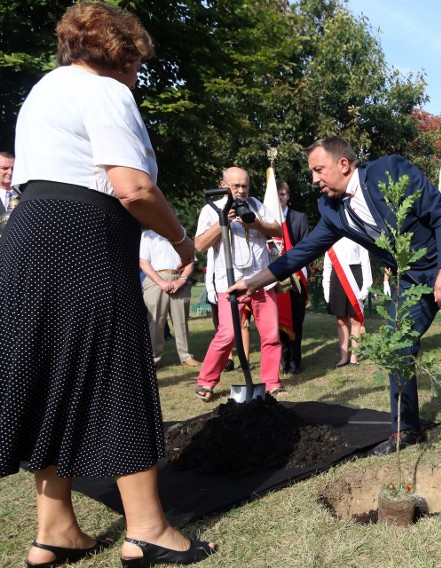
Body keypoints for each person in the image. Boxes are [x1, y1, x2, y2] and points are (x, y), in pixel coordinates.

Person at [0, 4, 216, 567]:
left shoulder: (44, 91)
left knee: (52, 372)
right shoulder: (106, 92)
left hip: (26, 235)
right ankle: (147, 529)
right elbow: (134, 188)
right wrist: (183, 242)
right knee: (117, 369)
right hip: (83, 239)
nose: (138, 77)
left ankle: (55, 530)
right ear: (119, 55)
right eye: (136, 65)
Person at [229, 137, 441, 455]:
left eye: (319, 170)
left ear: (343, 164)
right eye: (312, 173)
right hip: (413, 279)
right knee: (399, 345)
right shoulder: (331, 209)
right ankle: (408, 428)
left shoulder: (389, 171)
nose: (315, 179)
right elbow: (302, 251)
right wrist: (254, 281)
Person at [193, 167, 285, 401]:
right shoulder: (211, 209)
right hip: (229, 283)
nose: (241, 190)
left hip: (259, 281)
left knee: (272, 334)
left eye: (245, 185)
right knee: (227, 334)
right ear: (223, 184)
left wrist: (256, 225)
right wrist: (222, 221)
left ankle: (272, 383)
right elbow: (200, 245)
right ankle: (206, 382)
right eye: (236, 186)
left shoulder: (256, 205)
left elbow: (278, 231)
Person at [139, 222, 201, 368]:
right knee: (155, 321)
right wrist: (161, 282)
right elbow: (143, 261)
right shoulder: (148, 235)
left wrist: (181, 280)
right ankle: (153, 358)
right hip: (156, 280)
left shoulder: (182, 235)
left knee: (181, 321)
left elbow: (191, 260)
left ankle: (186, 356)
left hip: (179, 280)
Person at [275, 180, 310, 374]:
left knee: (296, 321)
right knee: (278, 321)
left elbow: (306, 246)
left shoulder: (299, 218)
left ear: (287, 196)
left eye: (282, 194)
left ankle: (295, 361)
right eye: (276, 194)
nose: (279, 197)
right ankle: (282, 360)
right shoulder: (267, 218)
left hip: (296, 277)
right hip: (275, 279)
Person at [323, 237, 372, 367]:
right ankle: (344, 357)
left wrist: (366, 286)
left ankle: (354, 358)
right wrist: (326, 290)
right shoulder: (331, 235)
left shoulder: (356, 233)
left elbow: (365, 262)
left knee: (355, 319)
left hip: (355, 277)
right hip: (337, 278)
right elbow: (327, 266)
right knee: (341, 320)